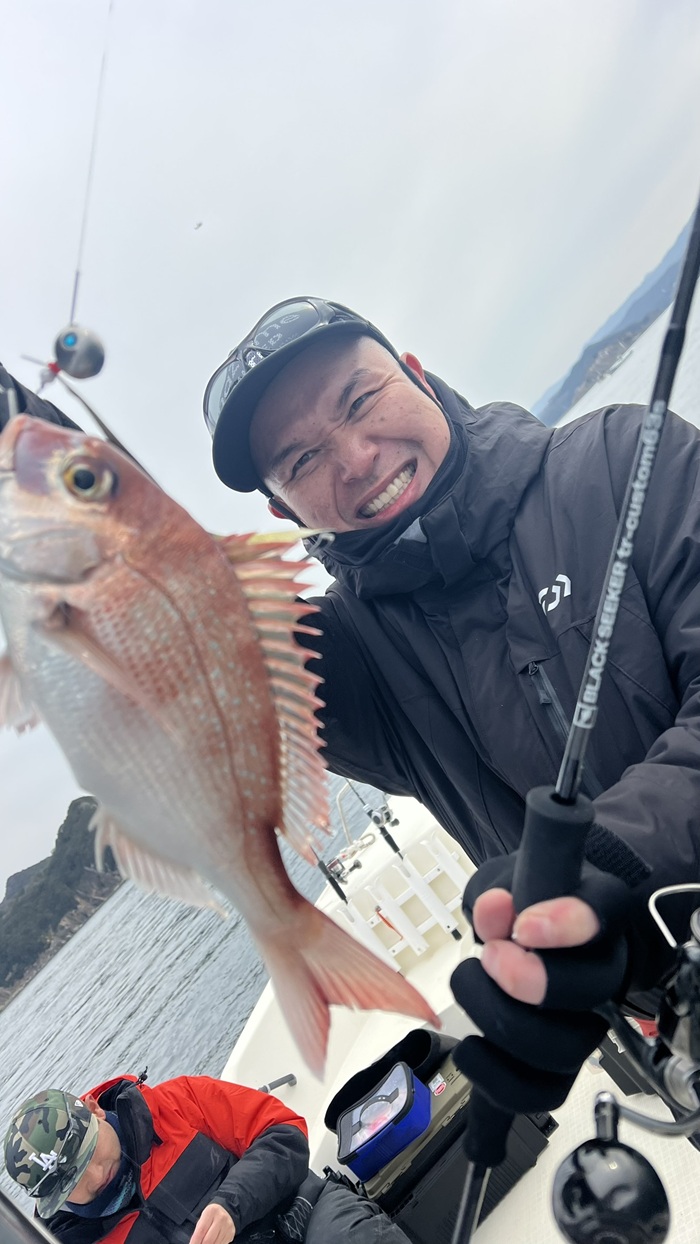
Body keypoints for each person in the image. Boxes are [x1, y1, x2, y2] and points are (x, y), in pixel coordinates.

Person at [2, 294, 699, 1109]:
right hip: (667, 1024)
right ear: (281, 509)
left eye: (360, 400)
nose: (357, 458)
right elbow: (174, 608)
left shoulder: (622, 459)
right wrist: (27, 445)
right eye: (301, 460)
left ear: (418, 376)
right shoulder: (355, 655)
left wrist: (617, 864)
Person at [3, 1072, 410, 1243]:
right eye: (72, 1183)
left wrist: (231, 1204)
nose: (96, 1176)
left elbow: (283, 1133)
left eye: (90, 1153)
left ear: (94, 1110)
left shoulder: (175, 1102)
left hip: (303, 1212)